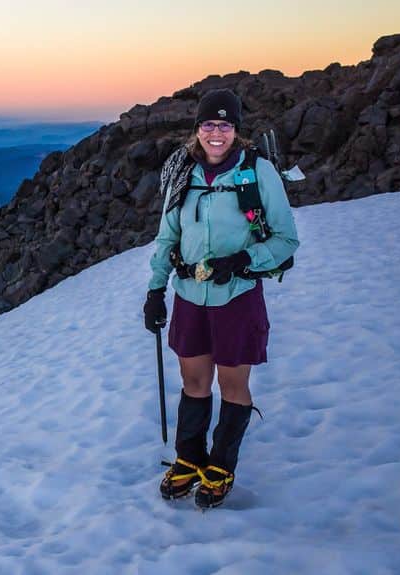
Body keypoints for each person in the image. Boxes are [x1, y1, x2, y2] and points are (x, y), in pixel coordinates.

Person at [142, 88, 300, 509]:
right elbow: (167, 237)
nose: (217, 133)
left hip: (237, 296)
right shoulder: (183, 173)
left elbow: (287, 239)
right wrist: (155, 291)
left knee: (233, 385)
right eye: (209, 124)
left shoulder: (257, 172)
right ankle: (188, 459)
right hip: (190, 294)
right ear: (198, 129)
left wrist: (245, 260)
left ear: (236, 130)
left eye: (225, 125)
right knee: (193, 381)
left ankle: (221, 464)